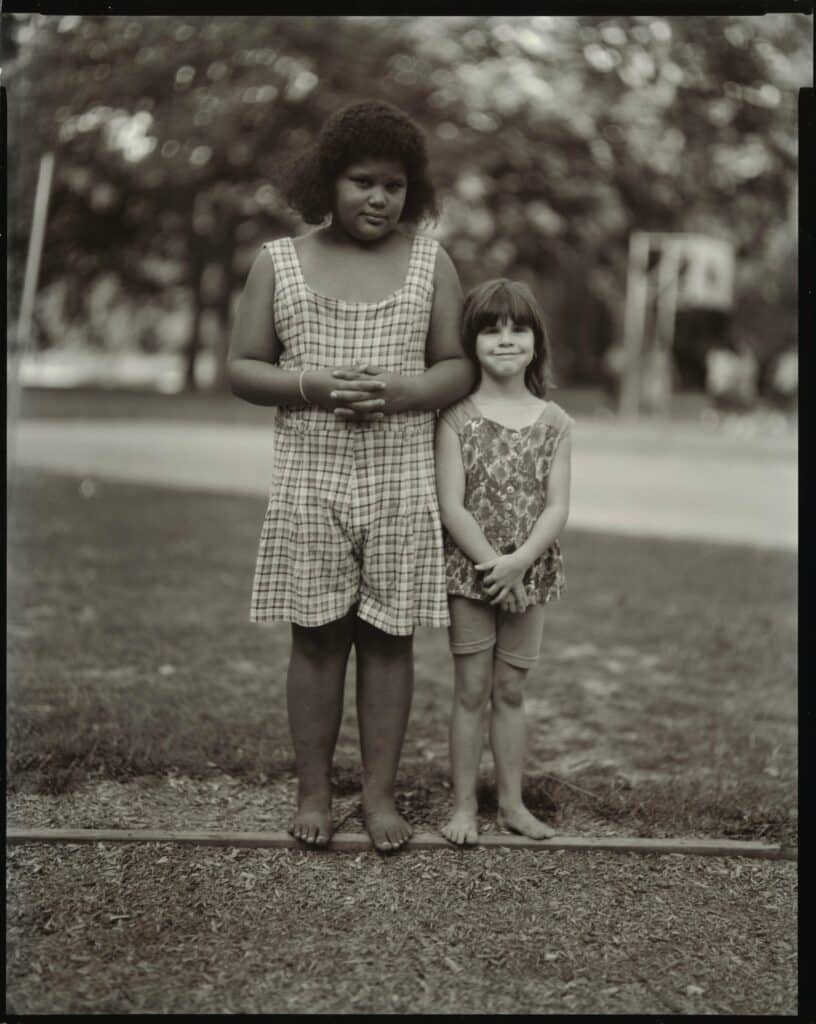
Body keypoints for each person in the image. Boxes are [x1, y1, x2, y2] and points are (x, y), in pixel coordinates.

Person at [228, 100, 473, 852]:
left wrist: (398, 392)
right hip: (311, 473)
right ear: (326, 183)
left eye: (394, 186)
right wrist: (317, 386)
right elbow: (241, 368)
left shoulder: (432, 260)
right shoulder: (280, 261)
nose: (378, 198)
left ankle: (378, 795)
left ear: (413, 190)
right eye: (361, 182)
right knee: (317, 638)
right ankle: (312, 790)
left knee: (391, 640)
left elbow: (457, 365)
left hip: (401, 477)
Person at [435, 279, 573, 845]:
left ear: (536, 342)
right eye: (491, 329)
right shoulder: (456, 418)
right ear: (472, 344)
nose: (505, 339)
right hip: (473, 575)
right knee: (471, 691)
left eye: (517, 328)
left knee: (511, 691)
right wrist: (497, 566)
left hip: (531, 572)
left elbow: (558, 506)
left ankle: (512, 806)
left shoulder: (555, 422)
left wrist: (520, 564)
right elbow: (451, 506)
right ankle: (463, 807)